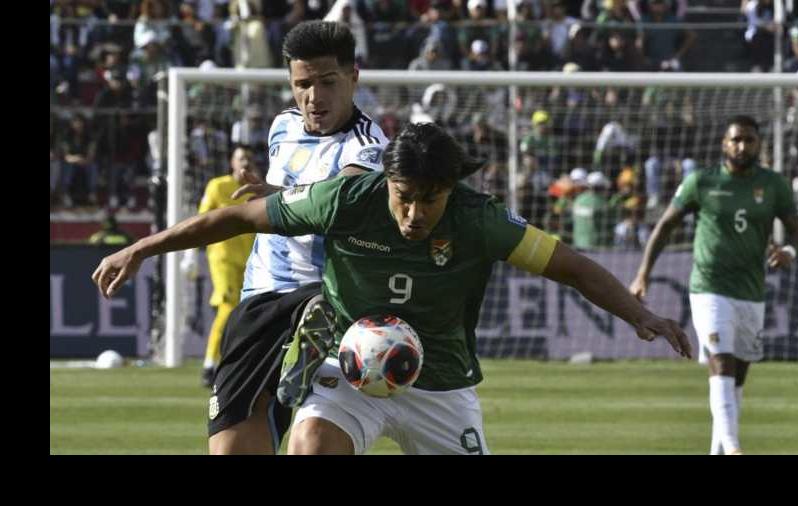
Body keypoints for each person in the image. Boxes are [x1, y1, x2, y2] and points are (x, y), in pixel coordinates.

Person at [93, 122, 692, 455]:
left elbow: (574, 267)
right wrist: (140, 248)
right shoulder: (345, 199)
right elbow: (236, 218)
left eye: (428, 201)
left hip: (441, 384)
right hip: (350, 371)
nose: (412, 214)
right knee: (309, 445)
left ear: (449, 191)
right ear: (387, 181)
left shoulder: (479, 219)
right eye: (403, 197)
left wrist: (640, 314)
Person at [101, 21, 387, 455]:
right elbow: (257, 210)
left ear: (354, 77)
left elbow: (332, 201)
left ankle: (306, 352)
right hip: (260, 302)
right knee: (230, 449)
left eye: (327, 82)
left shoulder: (367, 148)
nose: (314, 97)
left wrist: (278, 198)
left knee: (313, 444)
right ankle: (291, 362)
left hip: (325, 295)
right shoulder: (282, 127)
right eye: (303, 84)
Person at [629, 115, 798, 455]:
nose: (742, 146)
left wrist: (789, 249)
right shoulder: (702, 182)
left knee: (736, 378)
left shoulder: (773, 185)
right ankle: (736, 449)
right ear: (724, 143)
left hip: (751, 291)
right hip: (708, 287)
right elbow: (664, 227)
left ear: (759, 145)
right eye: (736, 139)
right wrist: (643, 274)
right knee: (721, 362)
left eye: (749, 140)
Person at [181, 145, 264, 388]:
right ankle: (209, 364)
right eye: (240, 158)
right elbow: (200, 221)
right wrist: (190, 255)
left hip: (251, 261)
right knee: (228, 308)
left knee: (250, 311)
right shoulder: (218, 186)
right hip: (223, 258)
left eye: (249, 158)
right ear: (231, 162)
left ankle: (242, 363)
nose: (245, 163)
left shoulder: (258, 187)